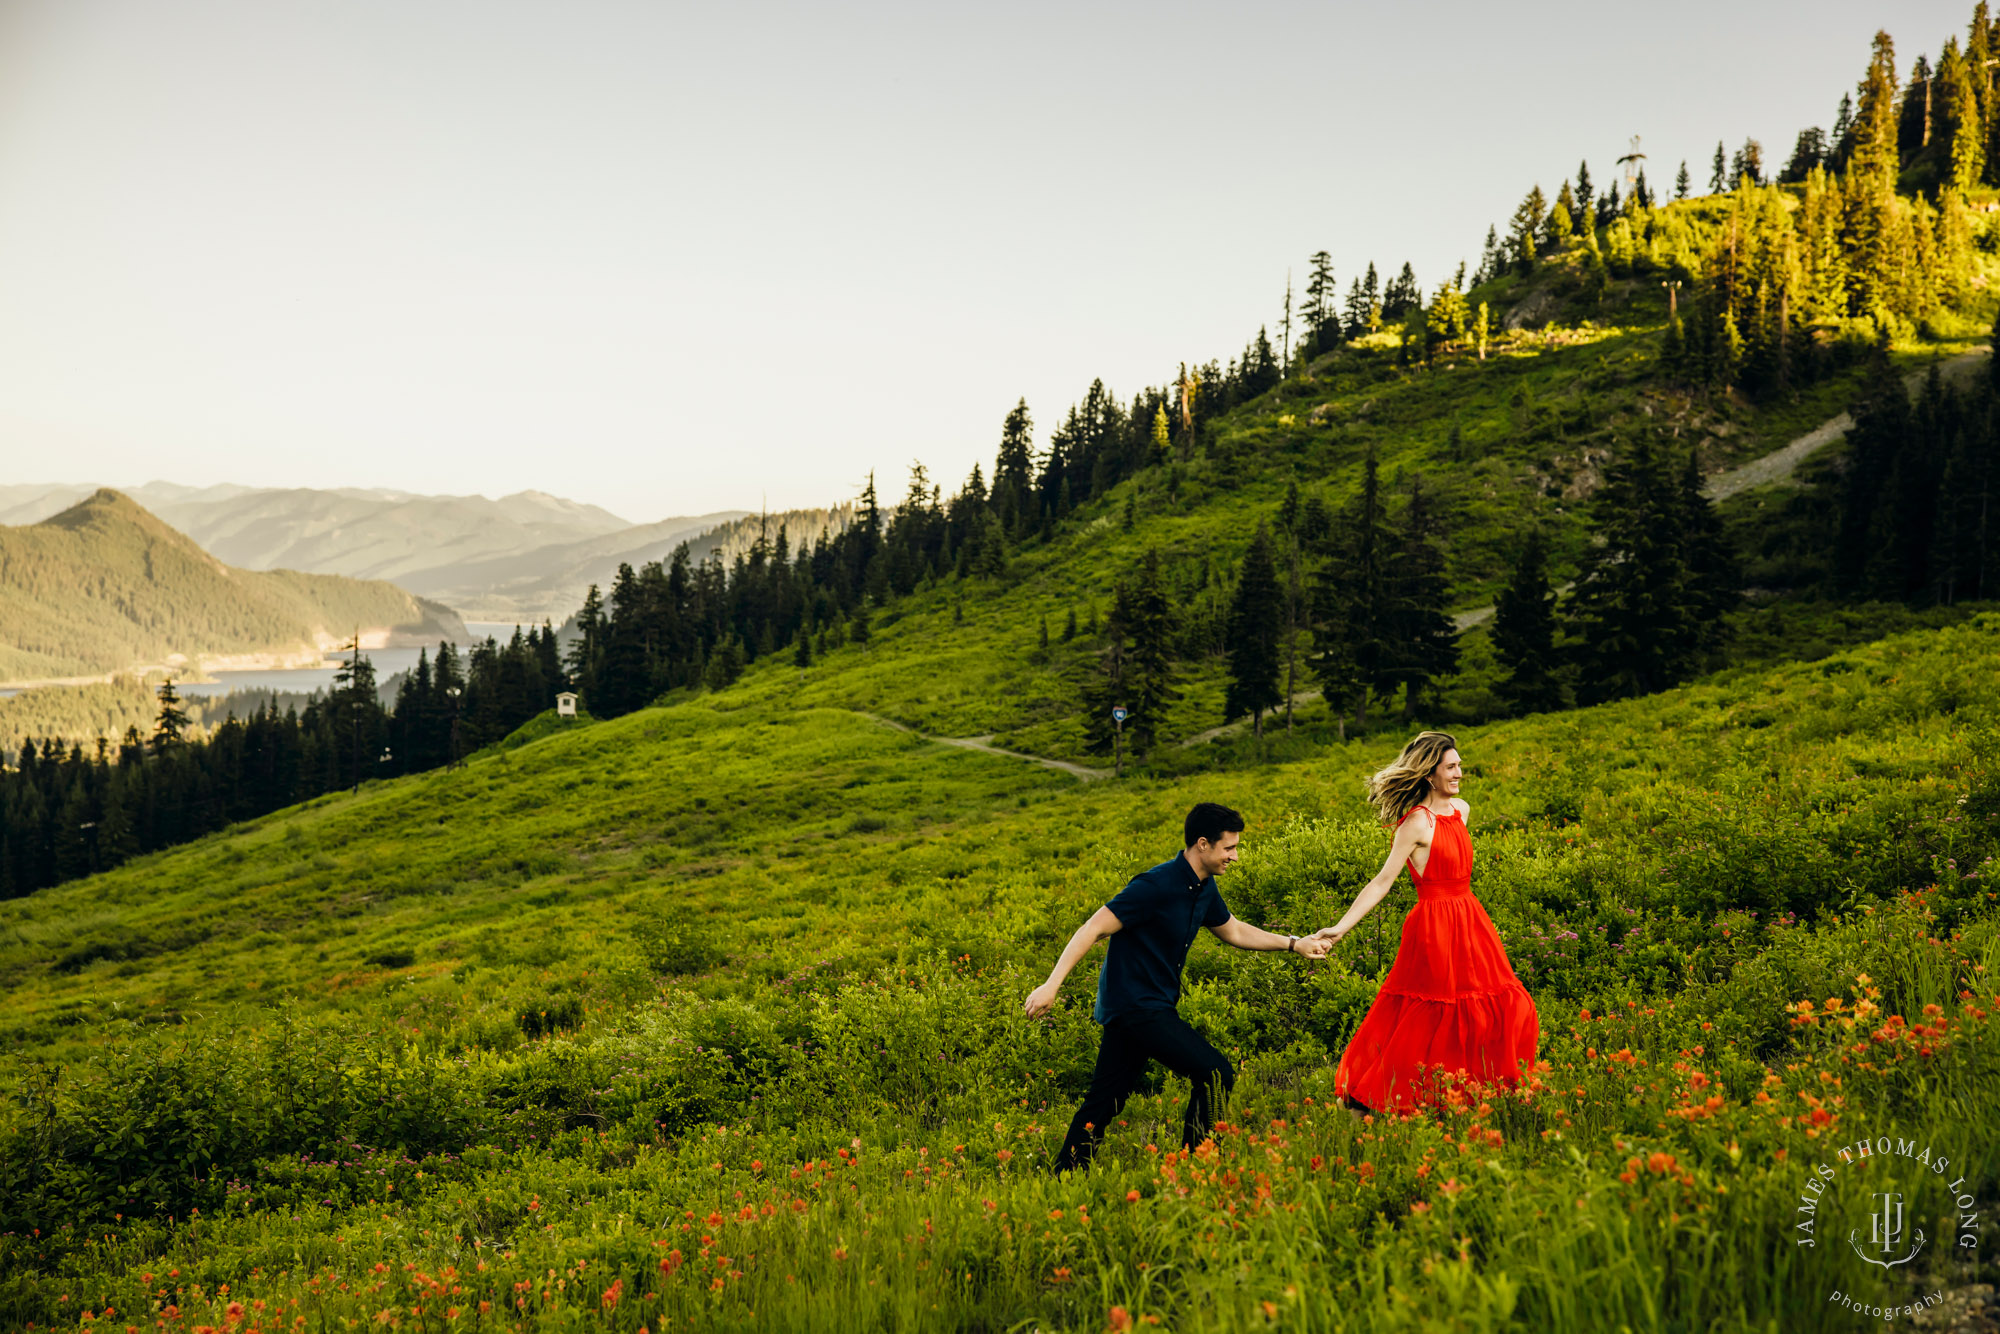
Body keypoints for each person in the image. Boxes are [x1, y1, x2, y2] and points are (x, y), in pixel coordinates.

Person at [1024, 802, 1330, 1172]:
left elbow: (1232, 930)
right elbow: (1093, 927)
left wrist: (1294, 943)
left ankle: (1065, 1173)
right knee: (1215, 1072)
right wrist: (1051, 984)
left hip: (1149, 1006)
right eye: (1228, 847)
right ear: (1203, 844)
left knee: (1105, 1100)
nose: (1235, 856)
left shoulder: (1204, 888)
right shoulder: (1155, 885)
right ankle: (1196, 1165)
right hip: (1136, 1006)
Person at [1316, 731, 1537, 1113]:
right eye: (1451, 767)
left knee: (1502, 1006)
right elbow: (1382, 881)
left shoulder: (1462, 810)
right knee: (1431, 1015)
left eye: (1460, 766)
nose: (1459, 773)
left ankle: (1471, 1093)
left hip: (1471, 920)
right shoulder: (1416, 823)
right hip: (1434, 927)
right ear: (1430, 773)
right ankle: (1373, 1097)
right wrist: (1340, 928)